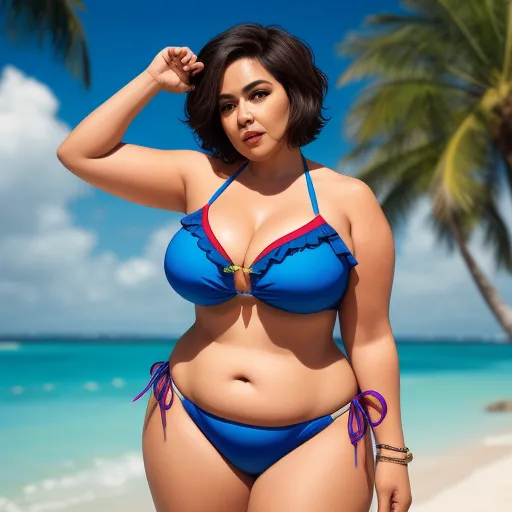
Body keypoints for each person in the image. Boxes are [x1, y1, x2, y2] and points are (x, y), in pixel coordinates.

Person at [57, 22, 412, 512]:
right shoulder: (198, 177)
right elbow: (78, 152)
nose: (244, 116)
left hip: (318, 433)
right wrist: (152, 80)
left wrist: (392, 450)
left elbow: (370, 338)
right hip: (186, 420)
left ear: (295, 92)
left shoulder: (350, 201)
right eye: (227, 105)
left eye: (258, 94)